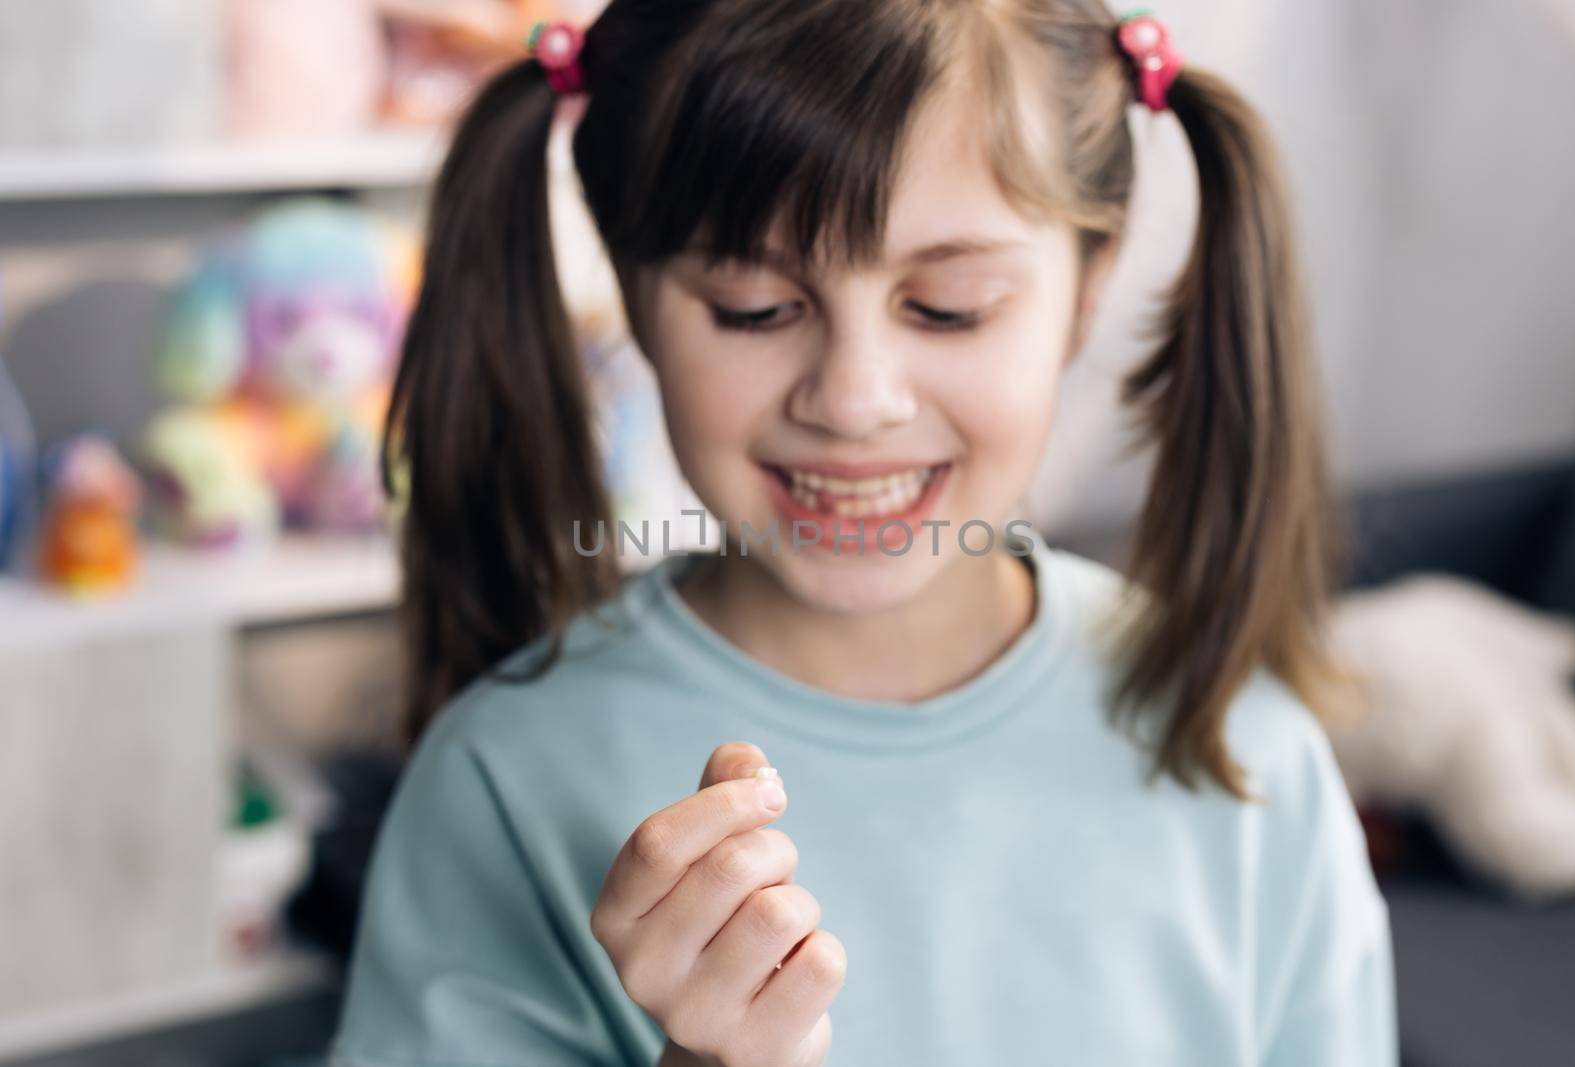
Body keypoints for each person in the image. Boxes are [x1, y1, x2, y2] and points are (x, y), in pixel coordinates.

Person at [330, 3, 1398, 1065]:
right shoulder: (502, 779)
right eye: (753, 305)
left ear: (1089, 283)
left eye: (948, 305)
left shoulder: (1250, 754)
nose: (853, 399)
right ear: (633, 286)